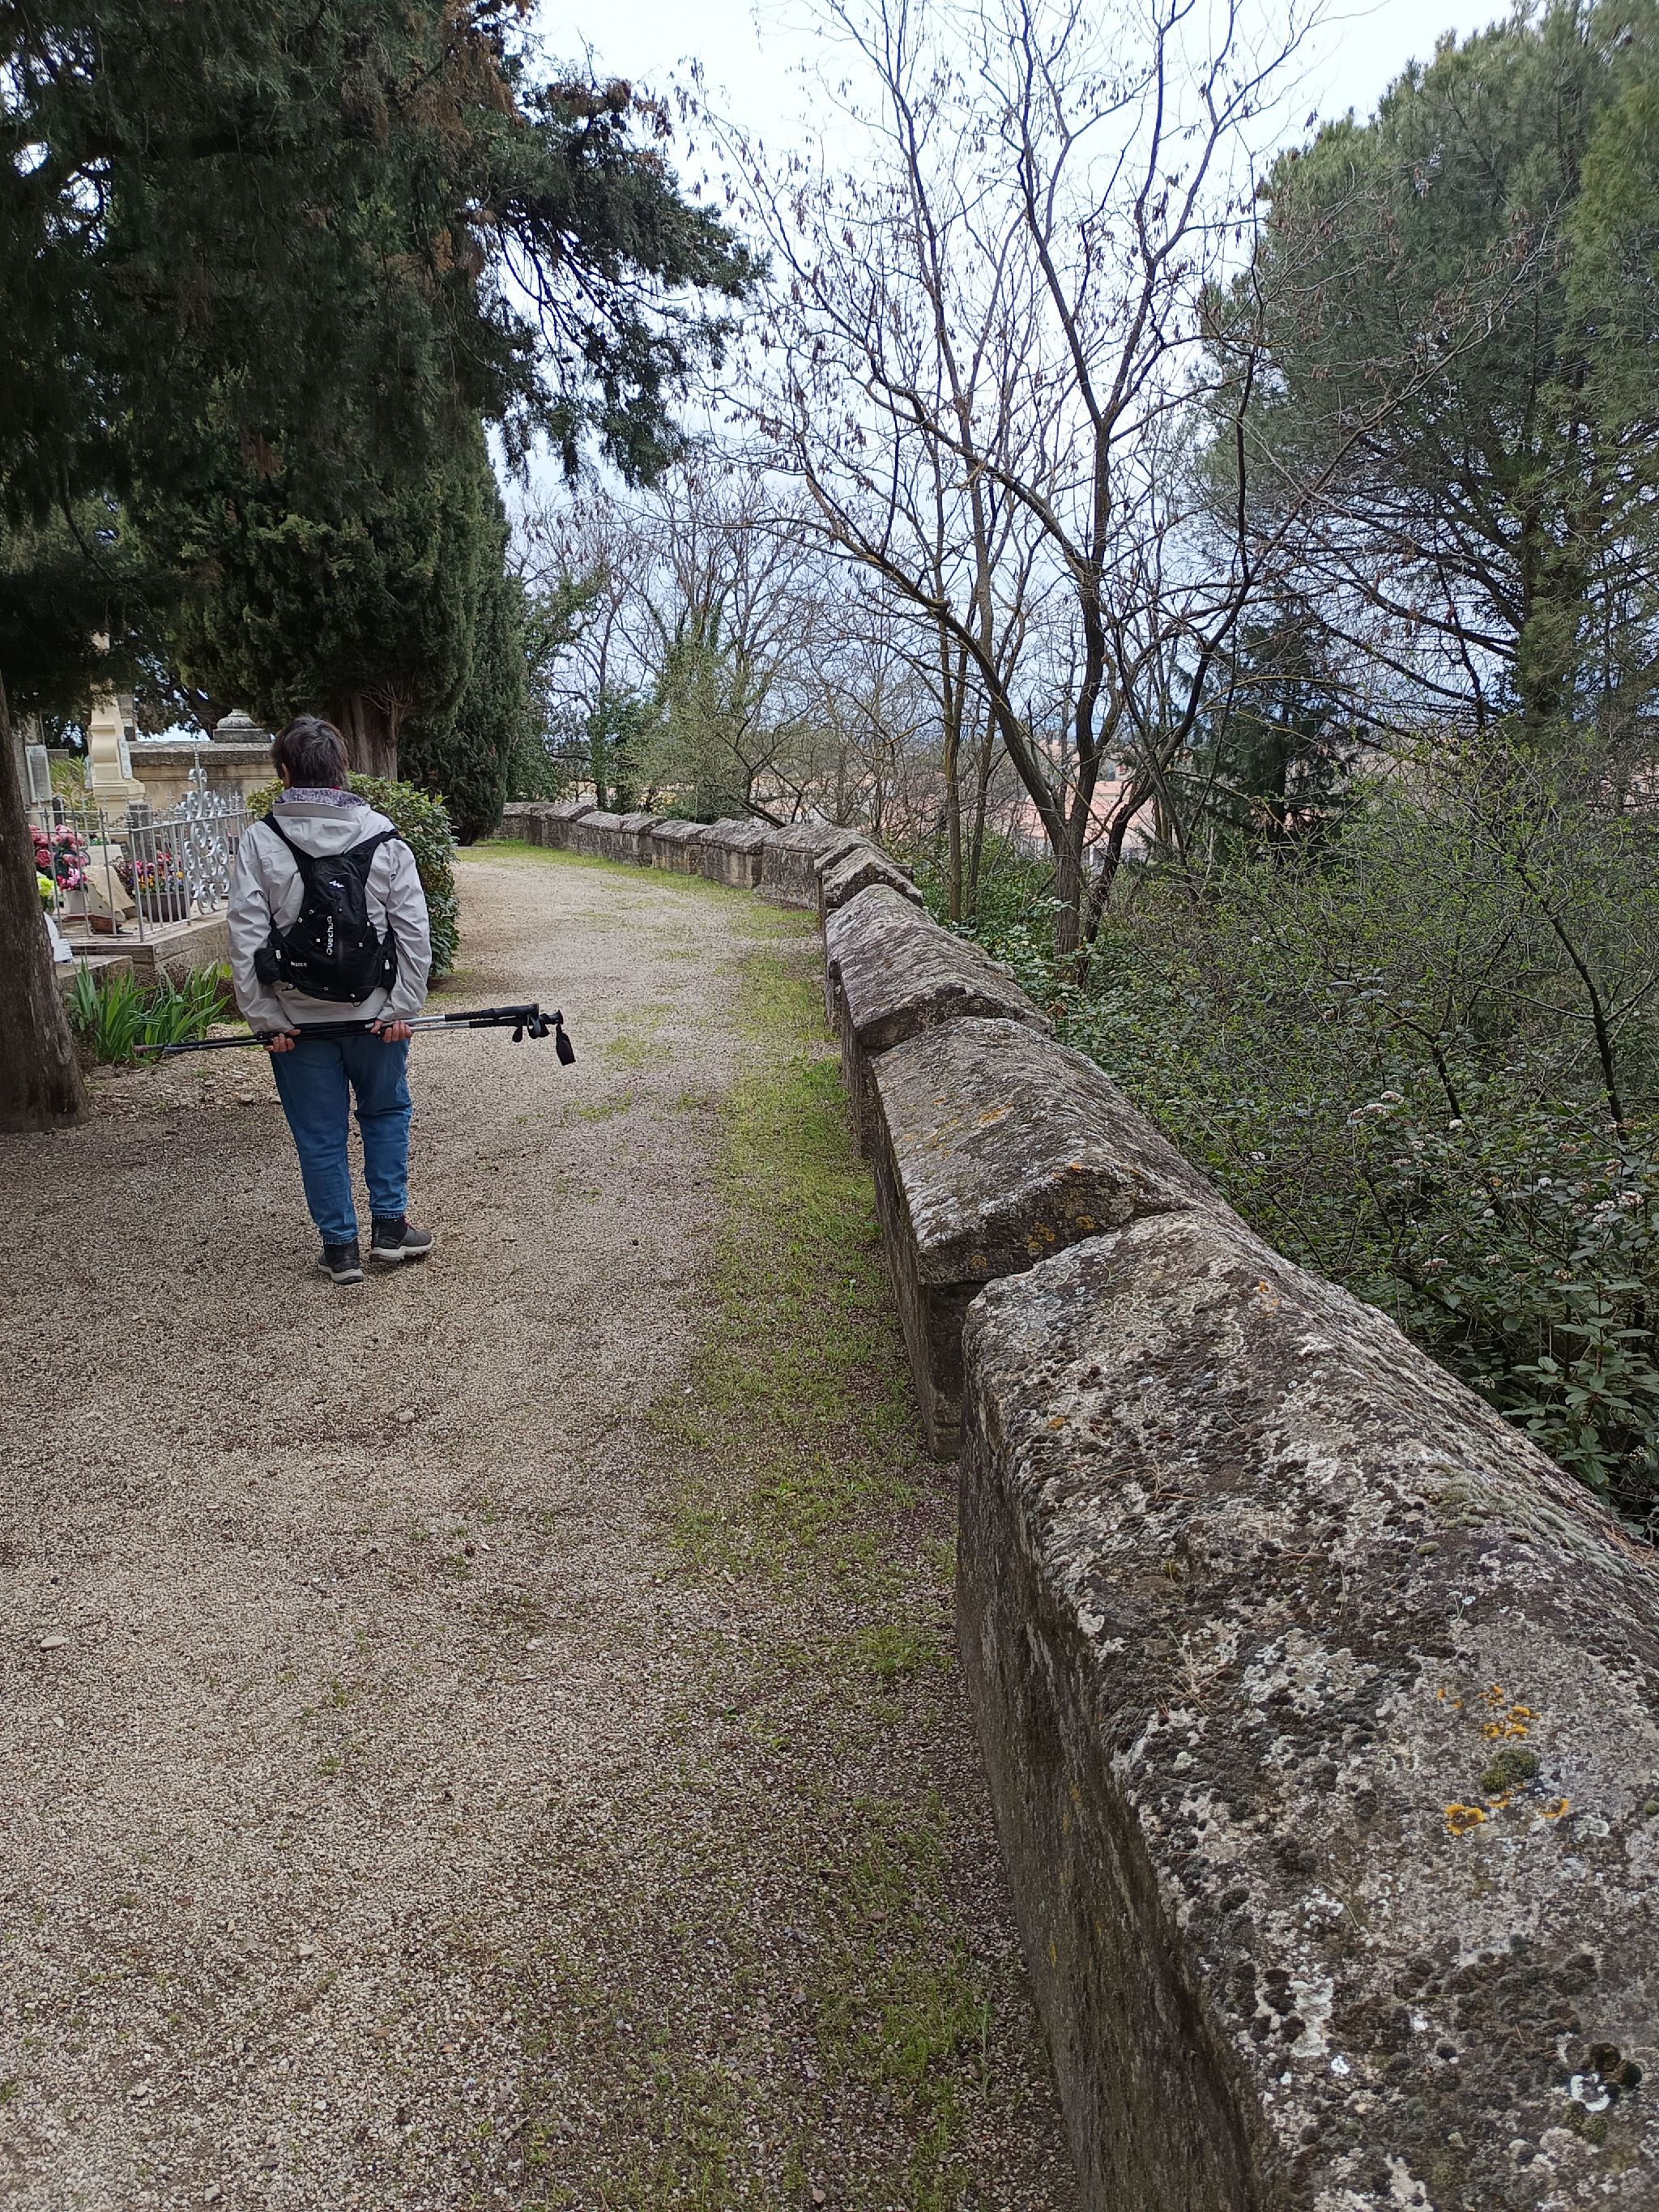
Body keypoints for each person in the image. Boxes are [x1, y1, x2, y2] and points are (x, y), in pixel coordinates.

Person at [228, 714, 434, 1285]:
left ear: (284, 772)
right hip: (376, 1016)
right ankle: (390, 1229)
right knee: (385, 1112)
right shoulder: (382, 837)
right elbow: (413, 932)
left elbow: (246, 937)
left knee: (319, 1134)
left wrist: (266, 1019)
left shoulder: (262, 840)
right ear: (342, 771)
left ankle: (340, 1248)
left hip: (297, 1022)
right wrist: (402, 1007)